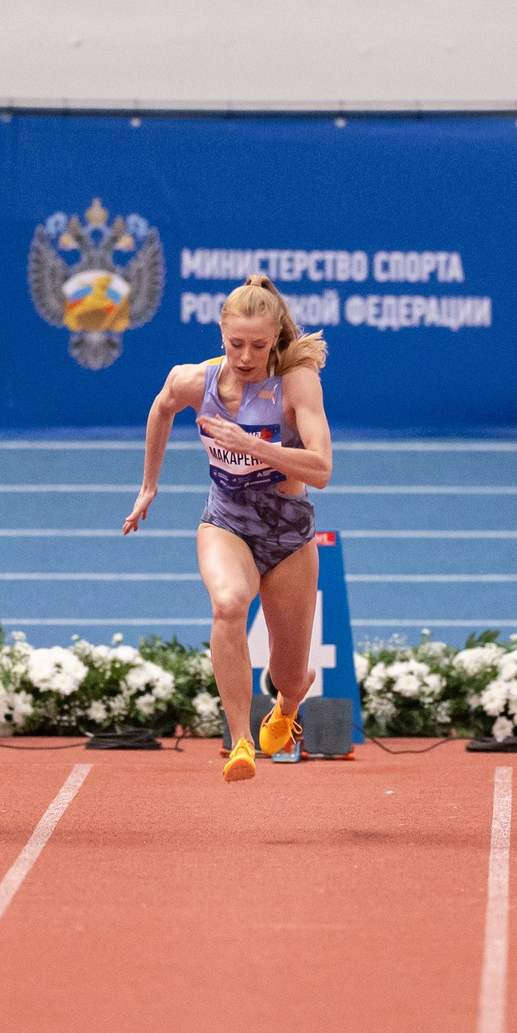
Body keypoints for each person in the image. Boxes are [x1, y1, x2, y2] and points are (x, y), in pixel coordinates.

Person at [124, 276, 334, 784]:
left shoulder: (297, 381)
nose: (245, 357)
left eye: (259, 346)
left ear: (277, 337)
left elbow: (322, 470)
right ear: (220, 334)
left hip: (288, 533)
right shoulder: (195, 380)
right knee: (228, 603)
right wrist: (149, 485)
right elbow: (160, 409)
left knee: (288, 672)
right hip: (226, 521)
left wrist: (255, 445)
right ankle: (240, 740)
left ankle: (287, 702)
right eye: (235, 344)